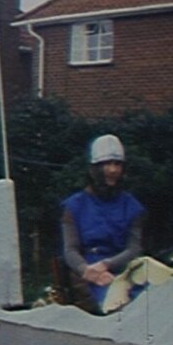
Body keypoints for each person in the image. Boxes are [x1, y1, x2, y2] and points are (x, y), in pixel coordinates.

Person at [61, 134, 146, 313]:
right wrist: (86, 271)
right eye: (107, 164)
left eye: (117, 164)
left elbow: (134, 249)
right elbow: (70, 249)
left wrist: (107, 265)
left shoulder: (132, 206)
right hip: (90, 273)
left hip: (125, 268)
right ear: (95, 168)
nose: (113, 170)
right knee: (113, 305)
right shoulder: (74, 206)